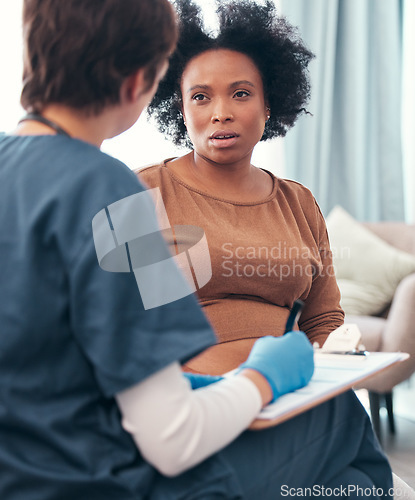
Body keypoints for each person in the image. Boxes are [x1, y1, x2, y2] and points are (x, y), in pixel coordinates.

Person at [0, 1, 392, 499]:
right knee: (345, 430)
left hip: (32, 467)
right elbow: (171, 436)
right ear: (141, 83)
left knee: (350, 481)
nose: (220, 111)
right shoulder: (121, 197)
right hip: (109, 472)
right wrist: (264, 378)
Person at [138, 0, 344, 376]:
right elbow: (117, 325)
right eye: (200, 97)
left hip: (301, 396)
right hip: (194, 405)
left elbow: (324, 320)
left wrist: (336, 382)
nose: (221, 113)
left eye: (241, 93)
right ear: (181, 109)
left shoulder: (299, 202)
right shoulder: (141, 191)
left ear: (269, 104)